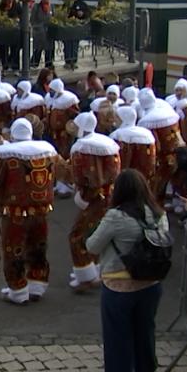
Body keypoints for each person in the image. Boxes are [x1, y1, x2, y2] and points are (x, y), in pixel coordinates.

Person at [85, 169, 168, 372]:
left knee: (117, 334)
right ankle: (145, 369)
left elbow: (92, 246)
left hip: (120, 283)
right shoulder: (159, 214)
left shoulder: (116, 217)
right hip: (151, 281)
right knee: (145, 327)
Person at [0, 118, 58, 304]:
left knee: (13, 249)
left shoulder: (6, 156)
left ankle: (18, 289)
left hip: (14, 212)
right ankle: (37, 284)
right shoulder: (47, 152)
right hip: (41, 210)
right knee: (38, 246)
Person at [68, 112, 121, 290]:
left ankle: (86, 274)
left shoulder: (81, 148)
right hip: (111, 195)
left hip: (92, 198)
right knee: (99, 233)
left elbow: (81, 177)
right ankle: (95, 268)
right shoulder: (108, 143)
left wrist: (82, 197)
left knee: (78, 235)